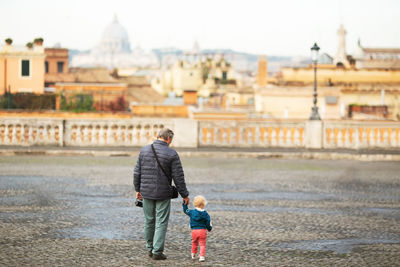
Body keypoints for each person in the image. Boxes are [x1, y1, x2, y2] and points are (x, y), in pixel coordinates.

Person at [134, 128, 190, 260]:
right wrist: (185, 194)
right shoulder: (172, 154)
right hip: (163, 193)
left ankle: (149, 248)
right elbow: (178, 177)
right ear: (169, 139)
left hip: (146, 192)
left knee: (149, 221)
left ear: (158, 136)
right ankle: (157, 252)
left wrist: (138, 189)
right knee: (161, 222)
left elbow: (137, 172)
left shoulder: (144, 150)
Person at [182, 195, 212, 262]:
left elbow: (185, 210)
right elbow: (208, 222)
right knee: (202, 244)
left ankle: (193, 254)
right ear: (203, 204)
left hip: (194, 231)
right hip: (202, 231)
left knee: (194, 242)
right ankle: (201, 256)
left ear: (194, 203)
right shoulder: (205, 214)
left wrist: (184, 204)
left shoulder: (192, 212)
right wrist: (209, 228)